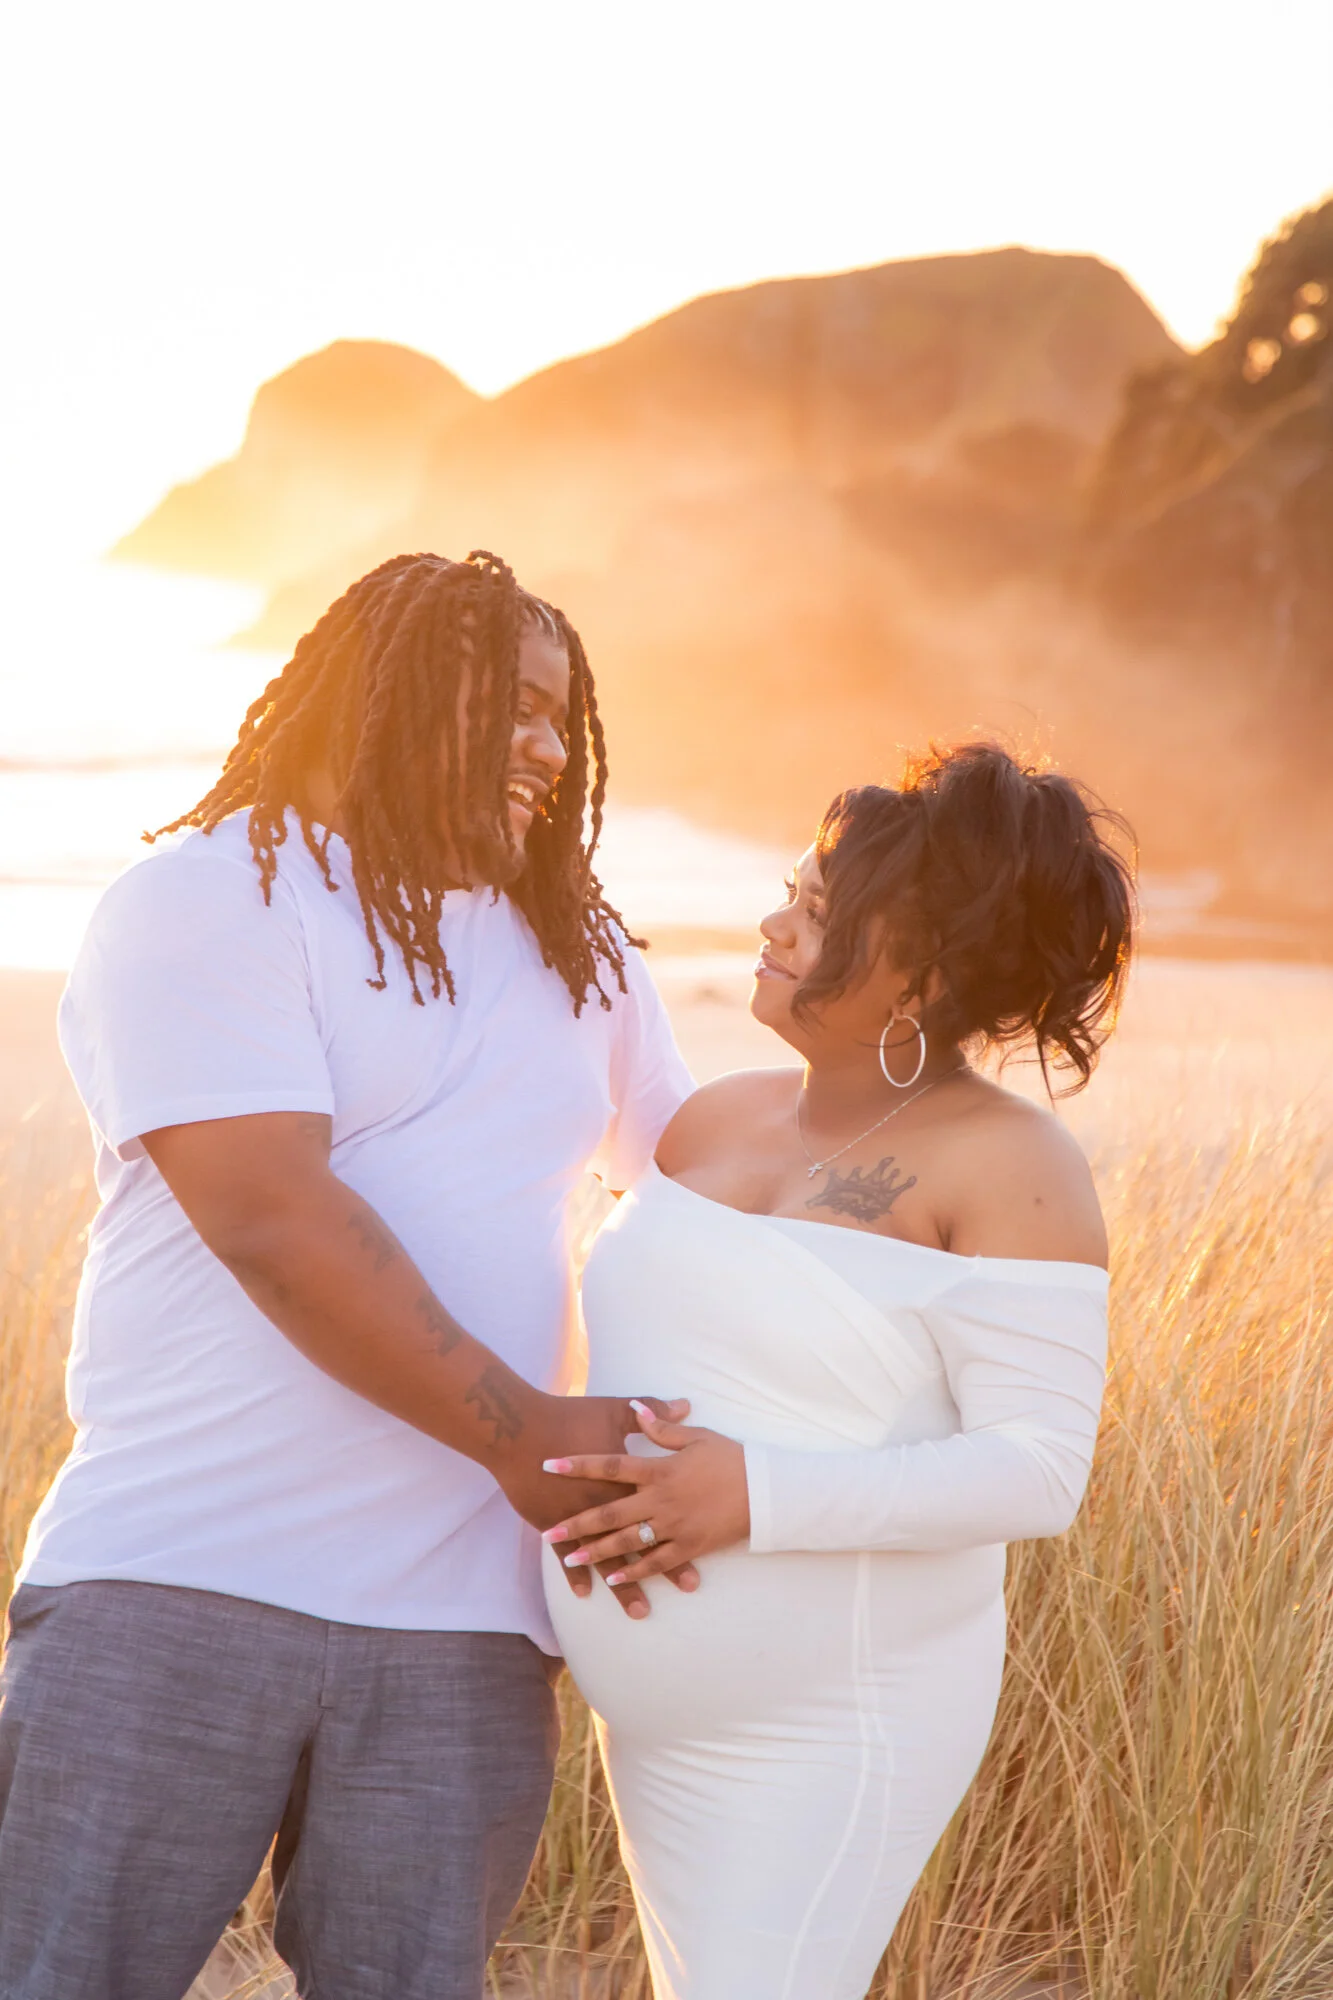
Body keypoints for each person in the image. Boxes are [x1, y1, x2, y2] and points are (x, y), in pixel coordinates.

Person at [0, 551, 695, 2000]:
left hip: (463, 1628)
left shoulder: (587, 957)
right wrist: (528, 1432)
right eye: (507, 705)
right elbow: (273, 1216)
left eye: (559, 717)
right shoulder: (211, 900)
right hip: (175, 1582)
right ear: (381, 694)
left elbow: (698, 1191)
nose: (548, 748)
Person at [541, 742, 1134, 2000]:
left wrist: (750, 1492)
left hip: (829, 1725)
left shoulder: (1011, 1163)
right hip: (650, 1721)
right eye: (791, 892)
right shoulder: (711, 1120)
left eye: (816, 912)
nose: (772, 922)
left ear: (918, 972)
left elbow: (1038, 1471)